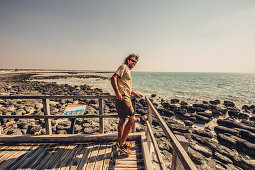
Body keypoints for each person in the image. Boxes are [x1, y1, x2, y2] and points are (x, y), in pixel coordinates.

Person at [111, 53, 143, 154]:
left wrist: (135, 93)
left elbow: (126, 86)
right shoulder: (124, 67)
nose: (134, 63)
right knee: (133, 119)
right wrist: (117, 93)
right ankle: (122, 144)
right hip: (124, 97)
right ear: (128, 60)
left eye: (135, 62)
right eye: (132, 60)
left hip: (123, 96)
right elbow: (113, 78)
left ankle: (119, 141)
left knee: (122, 120)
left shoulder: (127, 70)